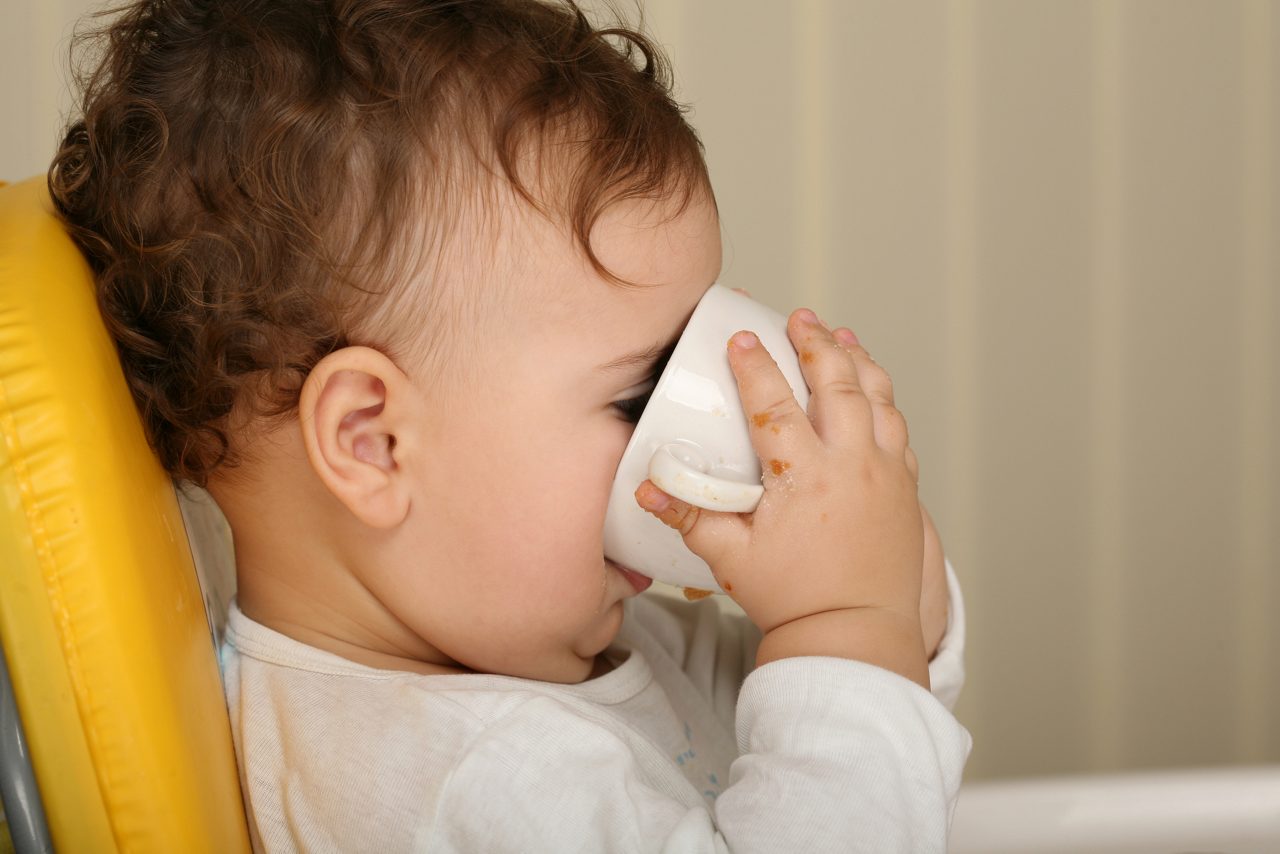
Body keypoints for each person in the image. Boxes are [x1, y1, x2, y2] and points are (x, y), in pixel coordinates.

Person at [49, 0, 971, 850]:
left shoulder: (538, 628)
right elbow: (848, 738)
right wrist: (845, 620)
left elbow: (831, 730)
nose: (689, 421)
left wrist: (878, 582)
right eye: (636, 398)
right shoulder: (460, 786)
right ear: (374, 441)